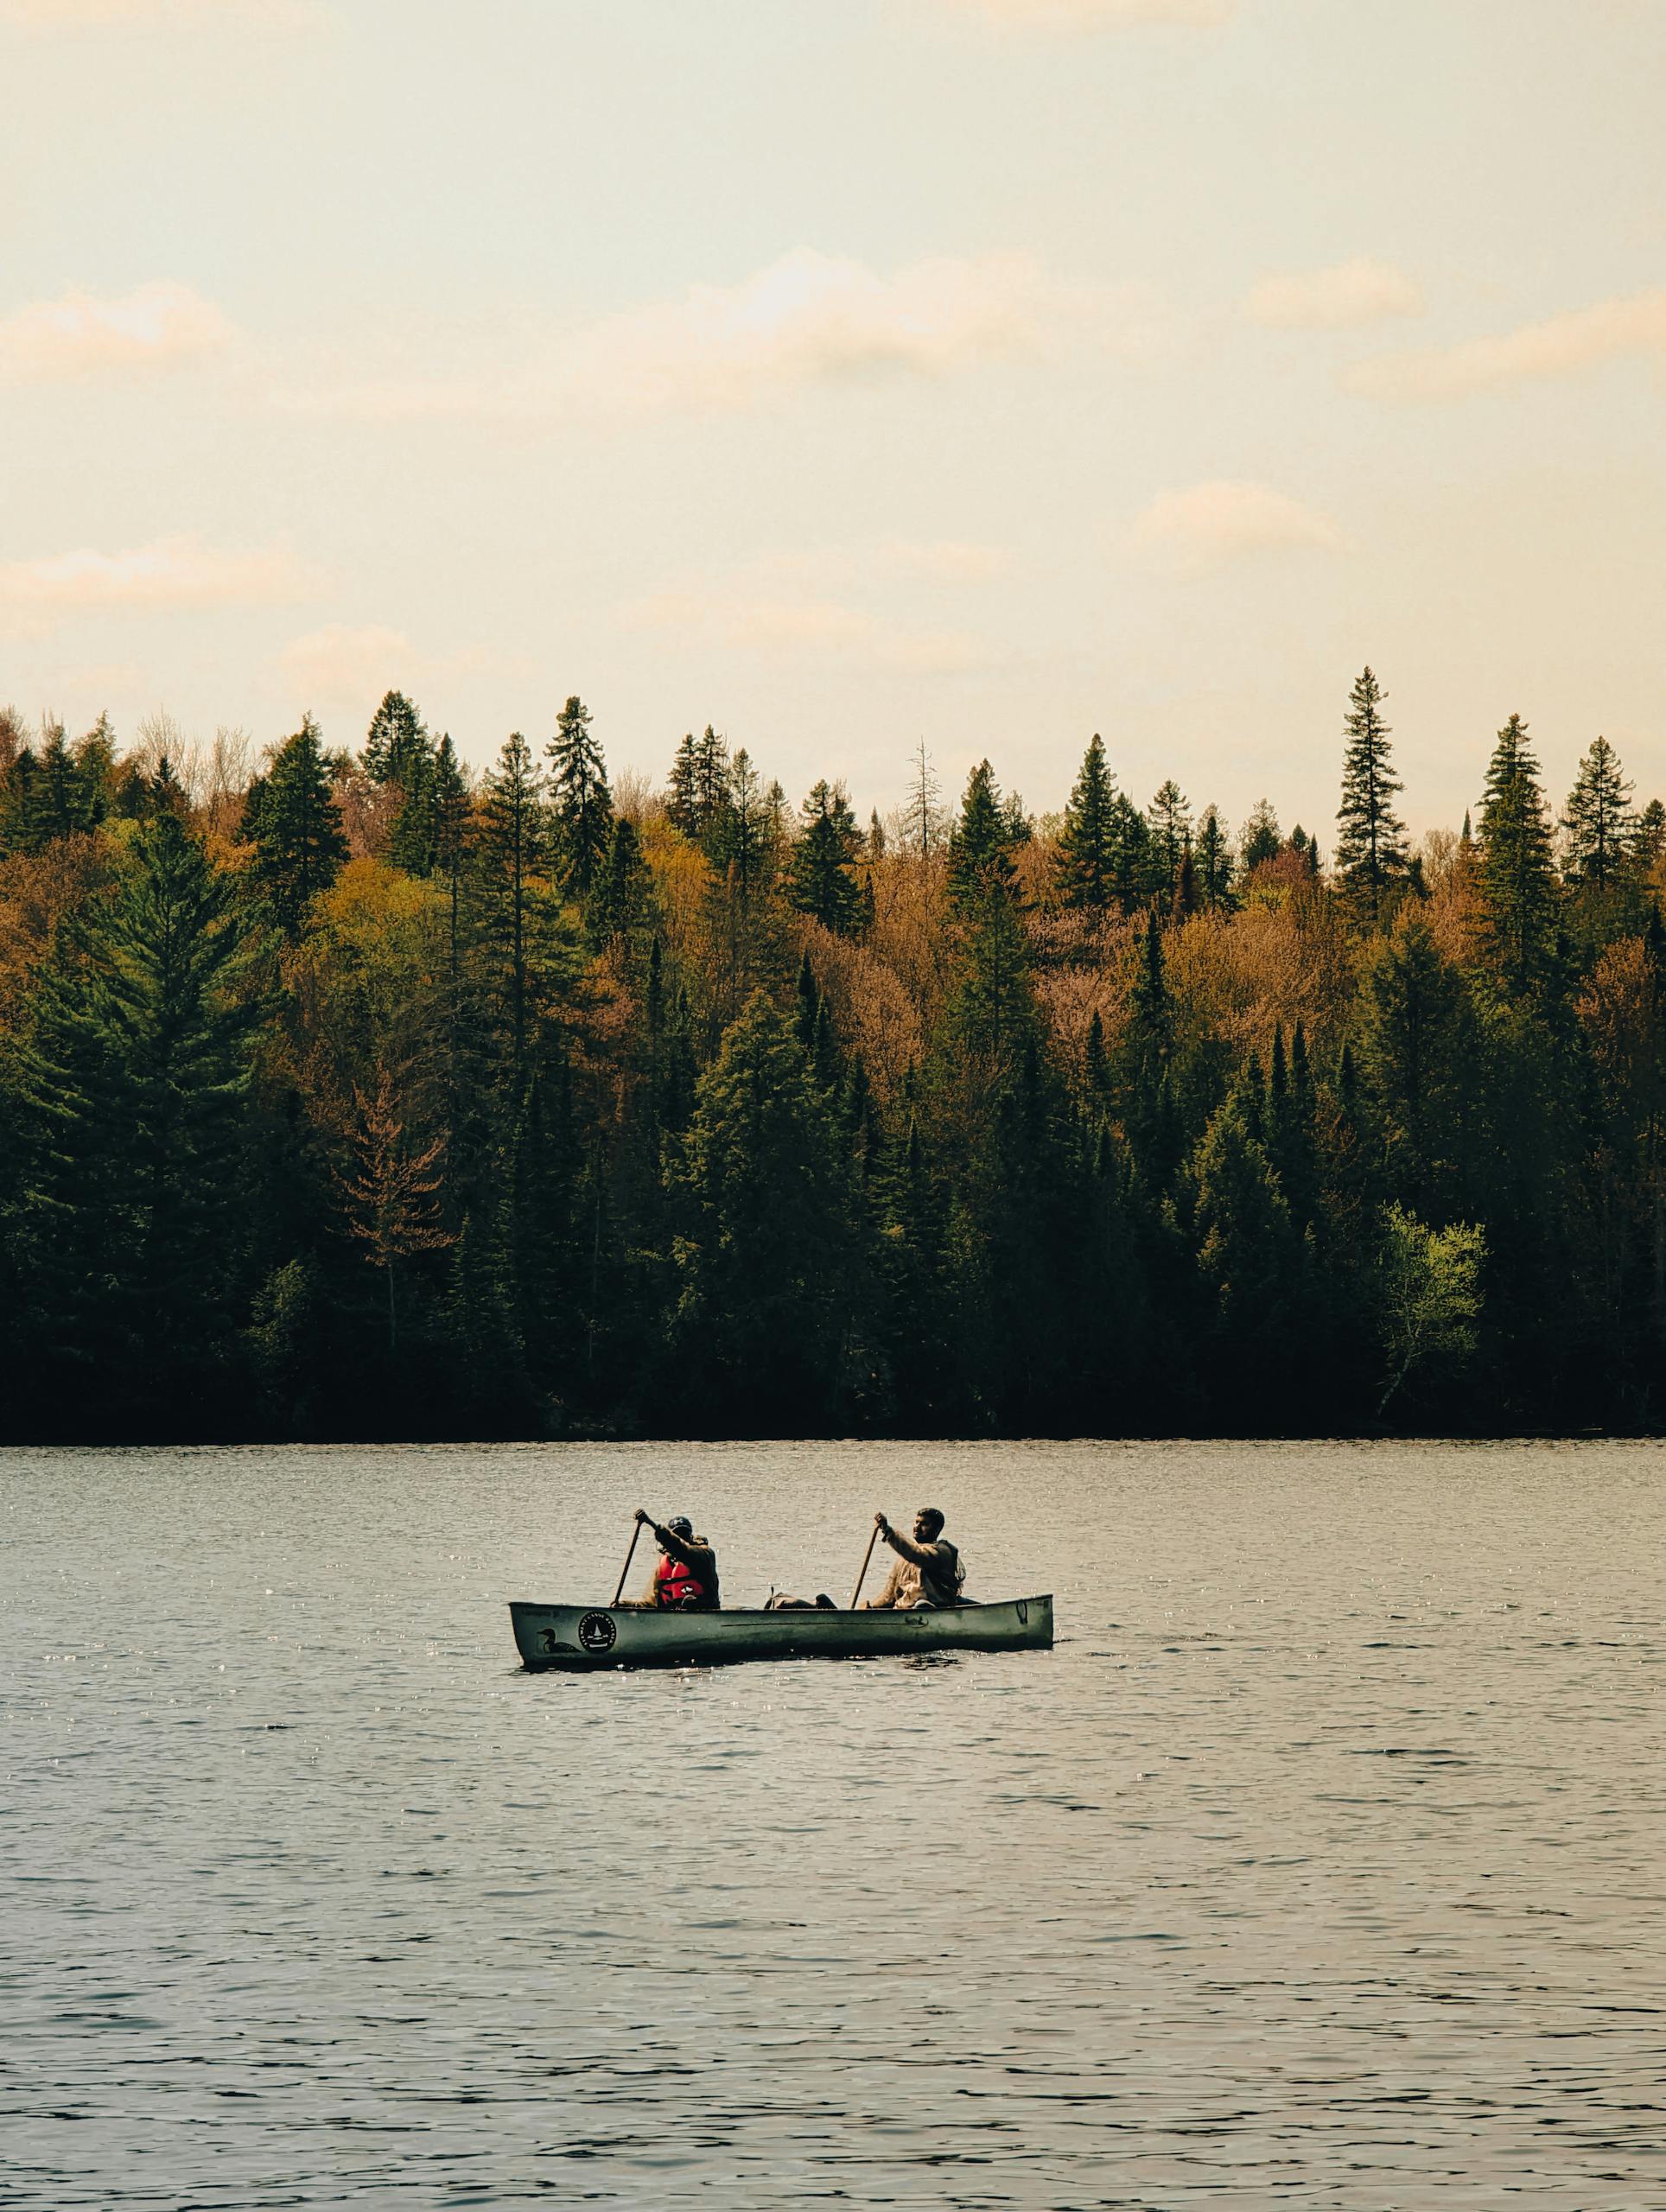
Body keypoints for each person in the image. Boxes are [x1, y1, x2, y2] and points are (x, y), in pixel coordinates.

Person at [865, 1507, 964, 1610]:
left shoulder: (941, 1551)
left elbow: (916, 1554)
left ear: (937, 1529)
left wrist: (888, 1531)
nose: (917, 1527)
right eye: (916, 1522)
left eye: (924, 1524)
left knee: (921, 1605)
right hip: (904, 1610)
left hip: (933, 1607)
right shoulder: (904, 1558)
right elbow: (889, 1595)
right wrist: (870, 1608)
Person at [634, 1509, 721, 1610]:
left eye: (684, 1534)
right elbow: (651, 1603)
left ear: (690, 1537)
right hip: (671, 1618)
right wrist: (626, 1605)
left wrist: (664, 1535)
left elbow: (682, 1550)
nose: (681, 1538)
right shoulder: (662, 1568)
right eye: (678, 1535)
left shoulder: (704, 1555)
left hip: (705, 1613)